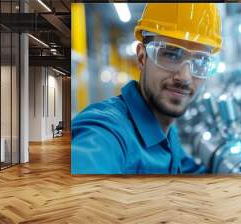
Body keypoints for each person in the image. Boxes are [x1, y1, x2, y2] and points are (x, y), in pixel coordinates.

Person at [71, 3, 222, 174]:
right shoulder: (105, 133)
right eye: (171, 54)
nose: (185, 77)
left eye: (200, 61)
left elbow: (188, 169)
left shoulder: (166, 132)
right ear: (142, 57)